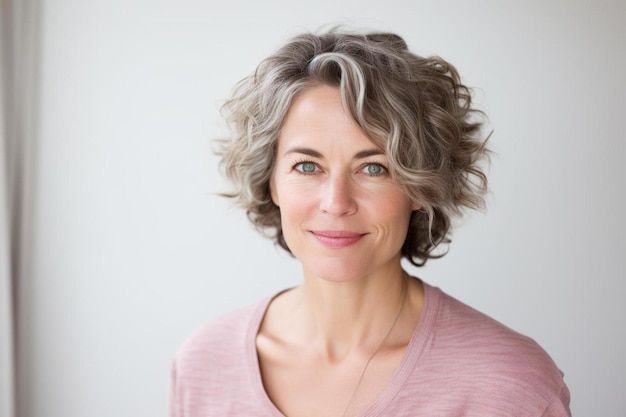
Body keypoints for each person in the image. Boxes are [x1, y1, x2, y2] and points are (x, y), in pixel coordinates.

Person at [169, 28, 571, 417]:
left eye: (374, 168)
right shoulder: (204, 365)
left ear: (419, 187)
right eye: (307, 165)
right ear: (270, 181)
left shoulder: (508, 385)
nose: (336, 202)